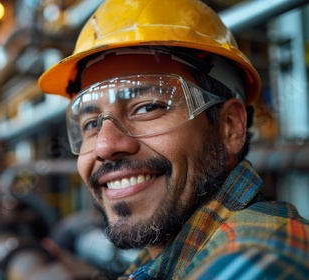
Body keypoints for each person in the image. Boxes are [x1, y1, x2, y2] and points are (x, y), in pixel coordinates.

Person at [38, 0, 309, 279]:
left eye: (147, 107)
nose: (105, 145)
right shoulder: (167, 260)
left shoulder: (263, 257)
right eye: (91, 124)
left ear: (230, 127)